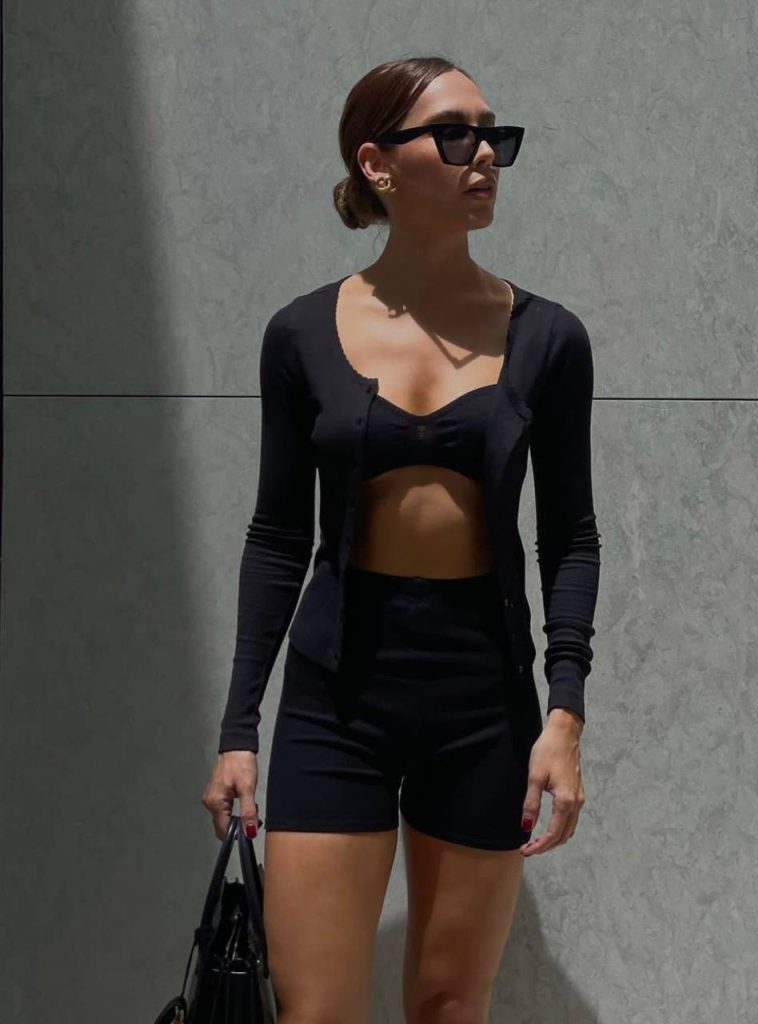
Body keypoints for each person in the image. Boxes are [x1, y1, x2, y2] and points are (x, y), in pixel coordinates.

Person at [202, 55, 602, 1024]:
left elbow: (571, 537)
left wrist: (564, 714)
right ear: (376, 163)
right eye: (455, 134)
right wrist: (239, 728)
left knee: (451, 1005)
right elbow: (276, 536)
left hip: (483, 698)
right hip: (335, 695)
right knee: (315, 1012)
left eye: (493, 135)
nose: (484, 156)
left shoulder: (548, 338)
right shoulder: (300, 334)